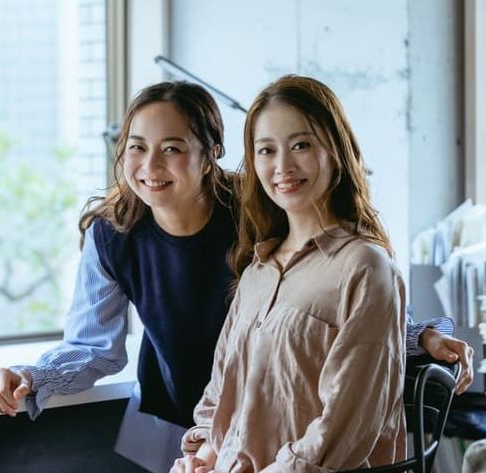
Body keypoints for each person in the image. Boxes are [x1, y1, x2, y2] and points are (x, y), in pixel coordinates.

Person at [0, 81, 474, 473]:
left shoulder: (261, 212)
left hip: (286, 424)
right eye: (136, 147)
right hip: (189, 422)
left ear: (211, 151)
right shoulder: (114, 233)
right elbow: (94, 347)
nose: (150, 166)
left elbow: (333, 291)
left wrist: (416, 335)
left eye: (172, 148)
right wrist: (34, 376)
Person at [172, 74, 431, 473]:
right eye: (266, 150)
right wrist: (202, 459)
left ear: (335, 150)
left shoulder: (365, 267)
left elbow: (347, 426)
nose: (282, 166)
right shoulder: (257, 272)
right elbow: (221, 396)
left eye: (301, 145)